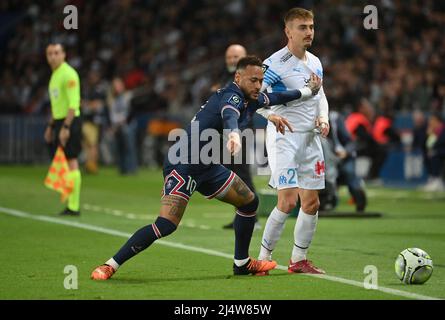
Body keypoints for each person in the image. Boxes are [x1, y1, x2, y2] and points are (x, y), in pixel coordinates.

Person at [91, 56, 321, 280]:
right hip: (184, 164)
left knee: (249, 202)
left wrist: (308, 91)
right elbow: (229, 115)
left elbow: (279, 96)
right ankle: (109, 265)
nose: (258, 85)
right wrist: (233, 135)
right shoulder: (231, 96)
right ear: (238, 77)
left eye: (260, 80)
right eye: (253, 80)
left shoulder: (252, 97)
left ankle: (241, 263)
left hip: (207, 165)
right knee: (166, 224)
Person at [255, 8, 328, 274]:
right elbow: (255, 97)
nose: (309, 32)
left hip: (310, 139)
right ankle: (263, 258)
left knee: (311, 203)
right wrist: (271, 115)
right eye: (302, 27)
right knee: (287, 202)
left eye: (311, 26)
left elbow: (320, 95)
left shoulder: (316, 62)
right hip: (284, 138)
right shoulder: (273, 65)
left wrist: (324, 118)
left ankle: (298, 260)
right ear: (288, 31)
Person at [216, 44, 261, 231]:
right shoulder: (227, 78)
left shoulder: (249, 79)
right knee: (233, 174)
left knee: (241, 173)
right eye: (229, 57)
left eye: (235, 57)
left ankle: (253, 217)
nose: (231, 60)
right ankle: (240, 216)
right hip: (228, 132)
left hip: (241, 130)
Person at [43, 43, 82, 216]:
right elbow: (56, 105)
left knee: (71, 160)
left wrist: (66, 127)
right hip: (59, 121)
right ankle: (69, 201)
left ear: (64, 54)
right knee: (64, 161)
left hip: (70, 121)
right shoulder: (55, 75)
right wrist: (51, 126)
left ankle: (73, 206)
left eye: (56, 53)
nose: (53, 56)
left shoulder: (69, 74)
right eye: (50, 53)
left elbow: (74, 104)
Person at [107, 77, 138, 175]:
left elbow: (131, 110)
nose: (117, 88)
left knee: (129, 147)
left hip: (127, 124)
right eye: (115, 86)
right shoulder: (112, 99)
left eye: (118, 85)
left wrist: (125, 121)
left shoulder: (128, 96)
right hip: (117, 126)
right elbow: (112, 114)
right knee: (119, 147)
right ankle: (123, 169)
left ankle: (132, 169)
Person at [422, 112, 445, 192]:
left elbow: (441, 143)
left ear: (438, 121)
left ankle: (437, 180)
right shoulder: (434, 130)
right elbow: (428, 144)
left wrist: (434, 150)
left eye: (432, 120)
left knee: (434, 154)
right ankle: (432, 178)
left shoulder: (443, 129)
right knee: (427, 155)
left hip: (442, 150)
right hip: (438, 150)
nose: (430, 122)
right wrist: (428, 135)